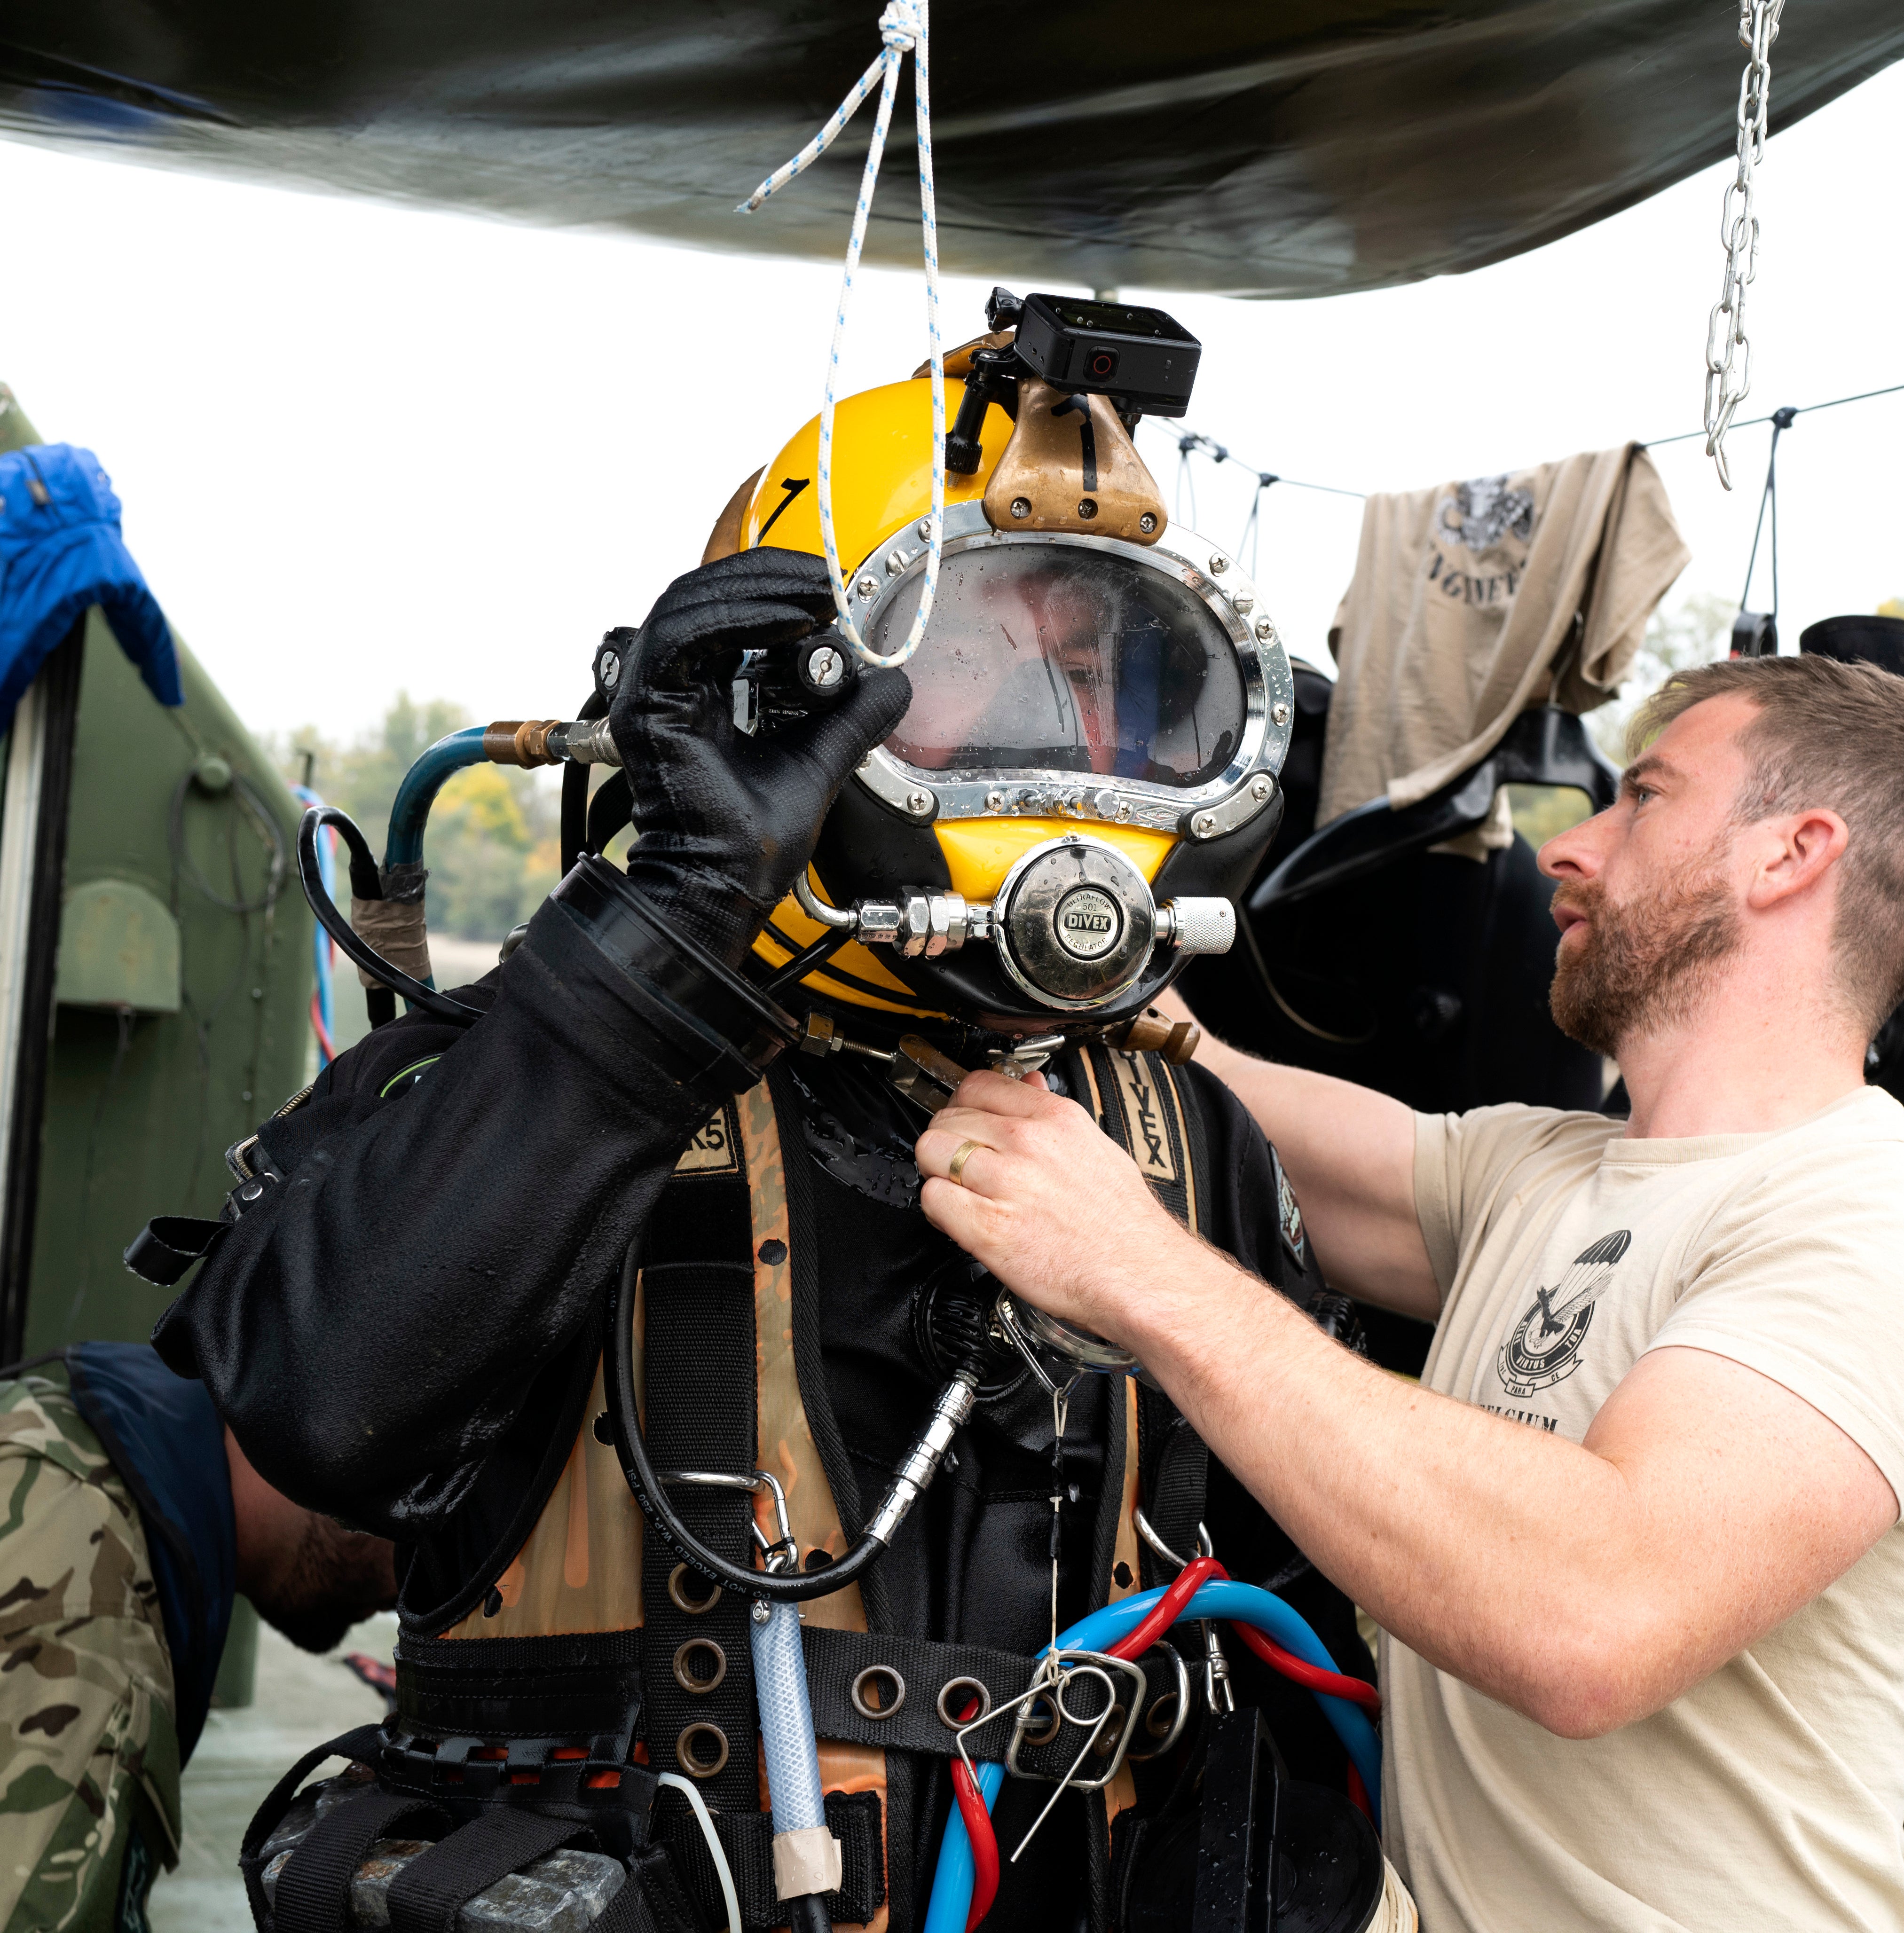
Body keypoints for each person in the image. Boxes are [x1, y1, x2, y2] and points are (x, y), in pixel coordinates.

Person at [148, 304, 1395, 1933]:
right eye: (994, 671)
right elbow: (318, 1414)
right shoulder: (536, 1071)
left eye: (1114, 684)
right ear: (804, 689)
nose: (1078, 744)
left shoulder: (1174, 1134)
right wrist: (670, 933)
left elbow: (1300, 1635)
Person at [910, 652, 1904, 1932]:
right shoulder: (1546, 1171)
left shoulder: (1891, 1227)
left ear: (1789, 855)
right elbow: (1204, 1085)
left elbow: (1595, 1609)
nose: (1572, 846)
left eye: (1643, 799)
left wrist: (1138, 1271)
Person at [0, 1342, 394, 1933]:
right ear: (328, 1427)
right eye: (418, 1492)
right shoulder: (95, 1607)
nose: (407, 1579)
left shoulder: (56, 1433)